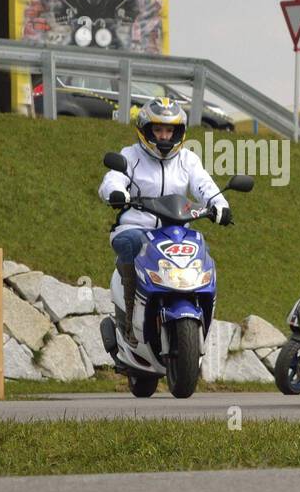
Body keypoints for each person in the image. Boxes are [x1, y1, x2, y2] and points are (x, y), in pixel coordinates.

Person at [98, 97, 231, 345]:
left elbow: (204, 185)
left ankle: (197, 322)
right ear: (146, 130)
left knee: (202, 248)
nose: (163, 136)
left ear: (178, 132)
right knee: (131, 241)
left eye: (169, 130)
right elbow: (113, 179)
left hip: (175, 230)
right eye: (158, 130)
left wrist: (219, 205)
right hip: (136, 227)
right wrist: (115, 192)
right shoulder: (130, 155)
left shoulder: (188, 160)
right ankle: (129, 322)